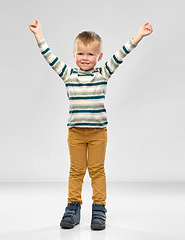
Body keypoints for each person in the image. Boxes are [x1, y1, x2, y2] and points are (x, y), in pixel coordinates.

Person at [29, 19, 153, 230]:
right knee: (76, 171)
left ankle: (99, 209)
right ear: (74, 54)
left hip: (97, 133)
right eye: (80, 53)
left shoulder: (102, 74)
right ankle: (73, 208)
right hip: (76, 133)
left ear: (99, 57)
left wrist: (138, 36)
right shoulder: (68, 75)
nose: (84, 58)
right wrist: (38, 34)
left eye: (90, 54)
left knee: (97, 170)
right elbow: (49, 57)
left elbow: (121, 54)